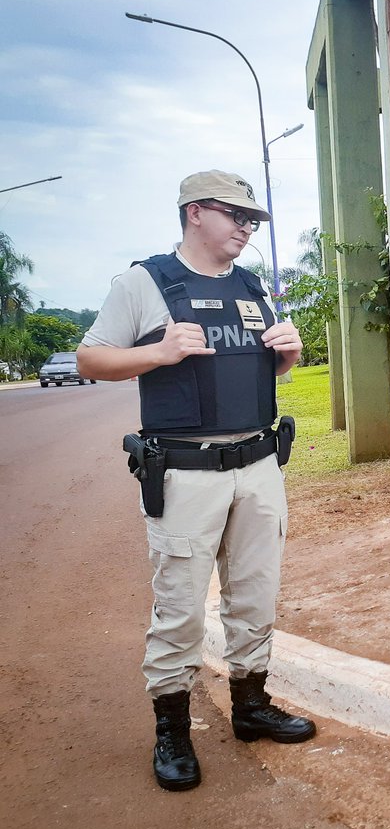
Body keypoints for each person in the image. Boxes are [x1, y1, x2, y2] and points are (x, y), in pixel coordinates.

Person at [78, 170, 316, 791]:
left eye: (252, 220)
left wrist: (286, 355)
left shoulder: (250, 286)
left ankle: (251, 707)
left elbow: (260, 369)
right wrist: (157, 352)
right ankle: (174, 732)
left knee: (256, 594)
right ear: (194, 214)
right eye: (235, 215)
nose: (246, 227)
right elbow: (90, 358)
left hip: (259, 466)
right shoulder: (146, 282)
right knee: (181, 607)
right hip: (186, 472)